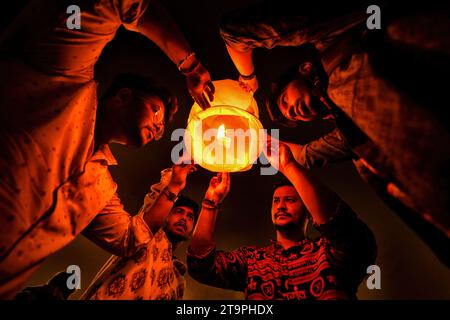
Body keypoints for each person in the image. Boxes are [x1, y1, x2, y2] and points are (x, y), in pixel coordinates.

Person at [219, 1, 450, 266]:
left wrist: (247, 78)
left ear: (304, 69)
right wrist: (250, 141)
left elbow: (235, 31)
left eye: (285, 101)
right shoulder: (350, 133)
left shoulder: (335, 42)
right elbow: (304, 155)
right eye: (291, 117)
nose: (294, 112)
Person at [0, 72, 193, 299]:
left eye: (161, 128)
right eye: (156, 110)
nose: (158, 126)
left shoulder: (98, 184)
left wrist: (175, 185)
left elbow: (129, 238)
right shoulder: (67, 96)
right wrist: (189, 64)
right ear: (123, 96)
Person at [187, 139, 376, 300]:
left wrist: (289, 167)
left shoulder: (327, 254)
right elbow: (201, 266)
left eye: (290, 200)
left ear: (309, 211)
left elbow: (353, 237)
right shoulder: (252, 261)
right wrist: (210, 202)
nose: (281, 206)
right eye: (276, 201)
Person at [81, 166, 200, 300]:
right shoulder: (147, 235)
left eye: (190, 217)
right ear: (165, 213)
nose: (184, 218)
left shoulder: (178, 280)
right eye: (178, 212)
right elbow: (154, 201)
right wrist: (173, 182)